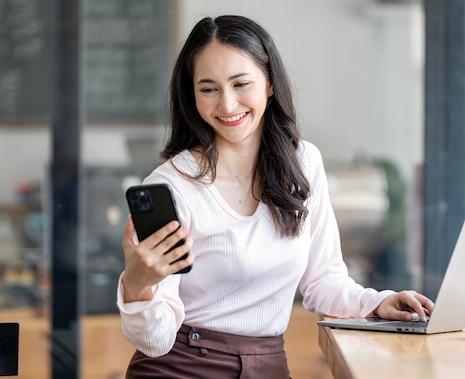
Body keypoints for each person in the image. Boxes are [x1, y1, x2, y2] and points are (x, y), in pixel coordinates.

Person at [117, 14, 434, 379]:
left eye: (241, 84)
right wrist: (138, 285)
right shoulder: (175, 186)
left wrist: (377, 302)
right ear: (191, 95)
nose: (228, 104)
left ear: (269, 83)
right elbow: (155, 342)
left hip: (268, 365)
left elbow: (322, 282)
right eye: (208, 89)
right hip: (180, 368)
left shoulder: (303, 164)